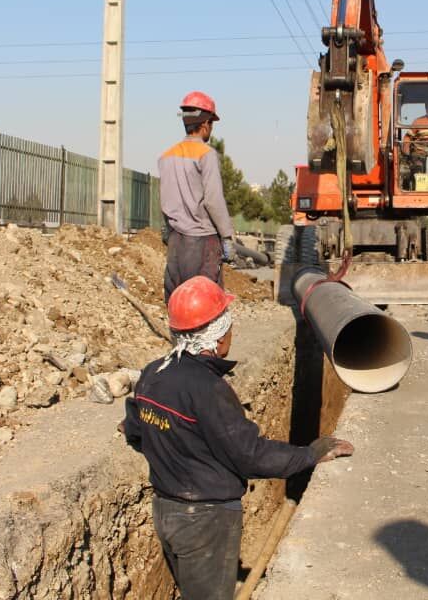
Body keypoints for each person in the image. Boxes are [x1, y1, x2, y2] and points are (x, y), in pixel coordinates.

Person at [123, 276, 354, 599]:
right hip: (206, 521)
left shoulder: (153, 373)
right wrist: (309, 455)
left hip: (166, 512)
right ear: (217, 339)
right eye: (229, 328)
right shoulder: (208, 389)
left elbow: (135, 431)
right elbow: (249, 455)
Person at [159, 91, 236, 301]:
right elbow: (213, 200)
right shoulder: (206, 154)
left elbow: (165, 199)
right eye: (212, 123)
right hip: (203, 242)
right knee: (206, 301)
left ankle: (179, 335)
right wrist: (227, 237)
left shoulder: (166, 156)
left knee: (178, 299)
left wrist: (169, 228)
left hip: (176, 241)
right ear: (205, 124)